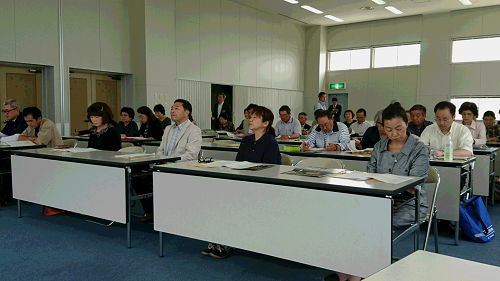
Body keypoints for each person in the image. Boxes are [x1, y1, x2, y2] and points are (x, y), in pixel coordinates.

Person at [323, 104, 429, 281]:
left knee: (371, 225)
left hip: (409, 203)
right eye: (388, 129)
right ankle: (347, 270)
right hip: (379, 200)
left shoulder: (419, 149)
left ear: (407, 123)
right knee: (347, 219)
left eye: (399, 129)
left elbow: (412, 185)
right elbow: (370, 176)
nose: (394, 134)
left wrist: (382, 182)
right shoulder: (379, 146)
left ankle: (355, 274)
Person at [203, 106, 281, 259]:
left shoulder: (270, 142)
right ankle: (219, 237)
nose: (250, 120)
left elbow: (270, 170)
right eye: (250, 117)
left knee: (231, 201)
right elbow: (238, 163)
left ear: (265, 123)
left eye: (255, 118)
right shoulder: (246, 140)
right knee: (217, 195)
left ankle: (227, 242)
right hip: (244, 183)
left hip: (262, 187)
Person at [135, 99, 203, 223]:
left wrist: (170, 162)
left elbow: (191, 155)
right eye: (172, 108)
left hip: (181, 167)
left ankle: (169, 213)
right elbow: (160, 149)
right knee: (139, 178)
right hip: (164, 166)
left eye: (177, 108)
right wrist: (161, 160)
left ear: (187, 112)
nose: (172, 111)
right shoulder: (168, 129)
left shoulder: (194, 130)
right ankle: (153, 211)